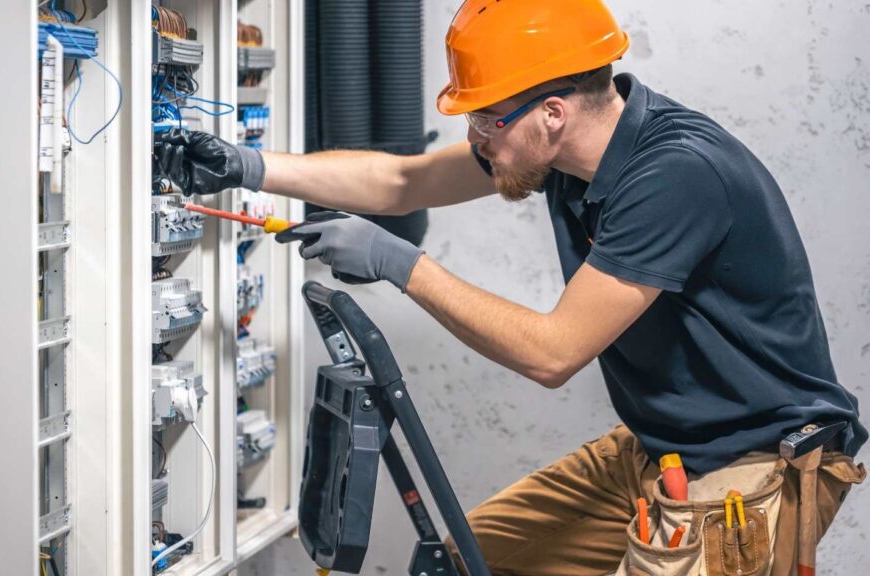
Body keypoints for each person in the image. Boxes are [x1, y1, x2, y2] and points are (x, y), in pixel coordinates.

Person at [153, 0, 866, 573]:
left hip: (757, 464)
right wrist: (247, 166)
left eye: (485, 120)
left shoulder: (674, 176)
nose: (477, 139)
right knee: (468, 559)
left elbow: (554, 353)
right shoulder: (557, 151)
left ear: (553, 113)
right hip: (665, 443)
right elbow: (399, 182)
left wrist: (398, 264)